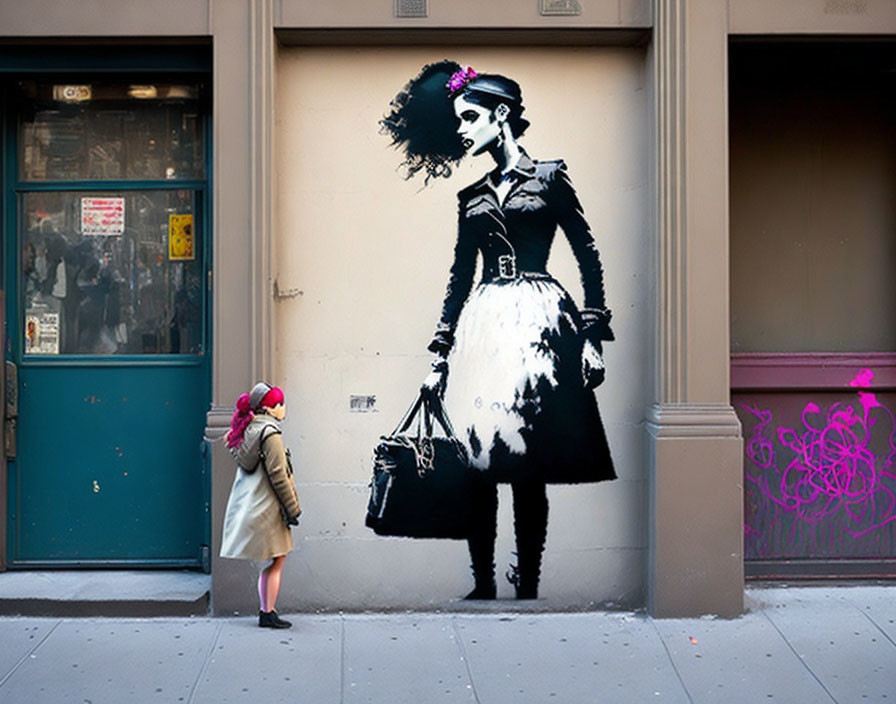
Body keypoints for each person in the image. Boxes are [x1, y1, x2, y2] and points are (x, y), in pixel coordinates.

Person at [382, 61, 616, 600]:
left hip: (542, 324)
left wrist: (591, 335)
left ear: (501, 115)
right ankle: (483, 582)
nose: (462, 130)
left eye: (469, 117)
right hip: (485, 327)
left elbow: (587, 254)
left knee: (529, 467)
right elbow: (458, 278)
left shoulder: (551, 177)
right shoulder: (472, 197)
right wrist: (440, 353)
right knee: (479, 462)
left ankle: (528, 583)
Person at [220, 382, 302, 627]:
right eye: (281, 404)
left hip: (253, 505)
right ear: (272, 408)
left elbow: (247, 462)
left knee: (275, 560)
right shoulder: (271, 434)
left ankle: (267, 611)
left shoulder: (248, 429)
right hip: (269, 508)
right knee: (278, 560)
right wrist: (293, 509)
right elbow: (279, 476)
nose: (284, 408)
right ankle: (268, 613)